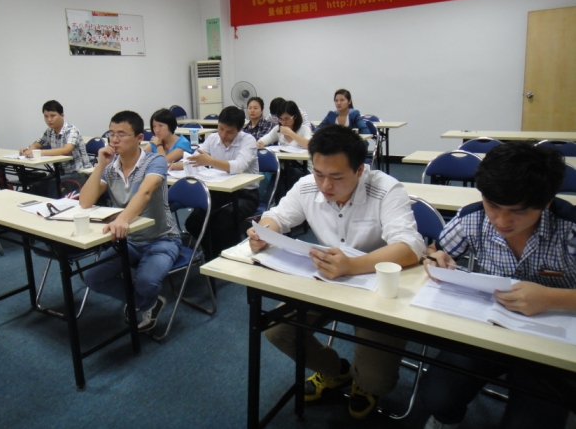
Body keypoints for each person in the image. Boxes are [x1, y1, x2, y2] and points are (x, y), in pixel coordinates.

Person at [247, 125, 424, 419]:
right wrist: (264, 232)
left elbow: (410, 246)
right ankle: (337, 371)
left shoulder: (386, 189)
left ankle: (364, 383)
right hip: (327, 280)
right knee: (278, 331)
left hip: (376, 288)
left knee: (376, 382)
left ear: (360, 171)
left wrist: (352, 265)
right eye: (319, 174)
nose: (325, 185)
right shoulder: (308, 186)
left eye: (337, 177)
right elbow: (277, 216)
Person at [419, 141, 576, 429]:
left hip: (550, 343)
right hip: (489, 329)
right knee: (435, 396)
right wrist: (434, 258)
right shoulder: (473, 218)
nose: (502, 221)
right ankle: (446, 420)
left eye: (518, 211)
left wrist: (551, 298)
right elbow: (435, 250)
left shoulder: (569, 228)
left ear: (546, 202)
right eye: (493, 205)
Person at [81, 111, 182, 332]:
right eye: (111, 134)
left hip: (162, 238)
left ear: (139, 138)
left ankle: (141, 297)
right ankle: (149, 303)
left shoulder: (155, 161)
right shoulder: (111, 168)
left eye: (122, 134)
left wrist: (122, 219)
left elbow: (145, 193)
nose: (114, 140)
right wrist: (100, 166)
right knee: (94, 278)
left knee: (146, 282)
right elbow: (85, 202)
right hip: (129, 239)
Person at [171, 106, 259, 257]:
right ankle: (211, 251)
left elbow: (239, 166)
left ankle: (224, 256)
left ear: (239, 130)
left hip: (245, 195)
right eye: (221, 128)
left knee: (224, 221)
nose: (223, 134)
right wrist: (175, 166)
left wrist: (210, 160)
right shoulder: (213, 138)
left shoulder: (248, 140)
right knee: (194, 222)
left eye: (229, 132)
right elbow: (196, 157)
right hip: (219, 192)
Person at [20, 100, 91, 197]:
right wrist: (28, 150)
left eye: (53, 116)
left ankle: (54, 206)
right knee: (36, 186)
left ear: (62, 116)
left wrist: (39, 152)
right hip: (59, 173)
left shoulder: (71, 130)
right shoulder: (50, 131)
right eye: (46, 116)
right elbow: (37, 144)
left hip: (80, 173)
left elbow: (66, 150)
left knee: (54, 185)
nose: (49, 119)